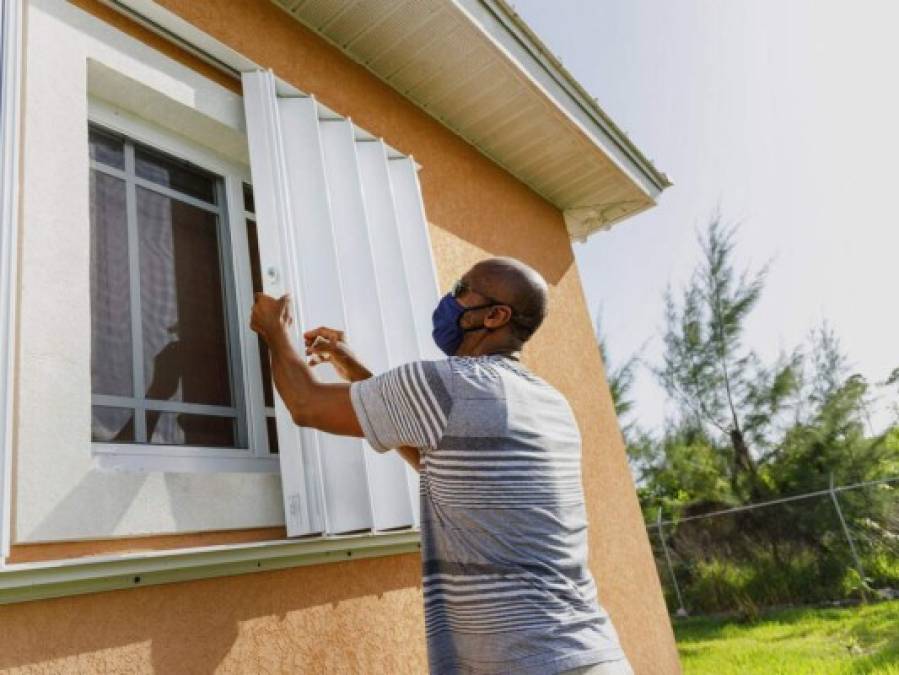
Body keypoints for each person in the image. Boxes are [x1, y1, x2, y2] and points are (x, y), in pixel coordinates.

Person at [250, 256, 633, 675]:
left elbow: (306, 405)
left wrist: (275, 330)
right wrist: (353, 368)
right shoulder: (548, 401)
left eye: (460, 290)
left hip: (529, 662)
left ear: (494, 316)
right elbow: (442, 462)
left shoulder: (449, 383)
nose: (448, 298)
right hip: (590, 652)